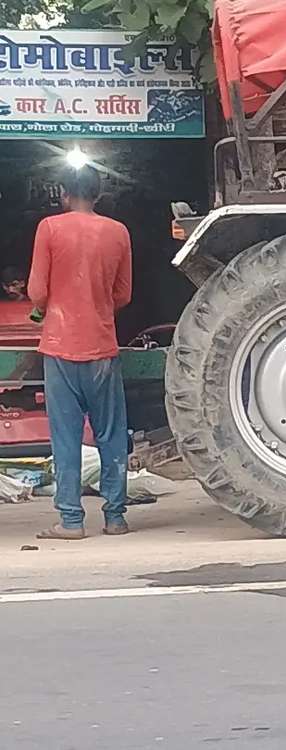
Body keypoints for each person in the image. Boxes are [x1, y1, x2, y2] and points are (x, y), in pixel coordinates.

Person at [28, 165, 132, 540]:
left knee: (67, 437)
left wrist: (48, 305)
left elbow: (37, 292)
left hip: (59, 347)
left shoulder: (50, 228)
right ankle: (115, 517)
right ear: (98, 194)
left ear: (64, 194)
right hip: (102, 348)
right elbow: (123, 295)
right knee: (111, 434)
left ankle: (71, 521)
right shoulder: (117, 232)